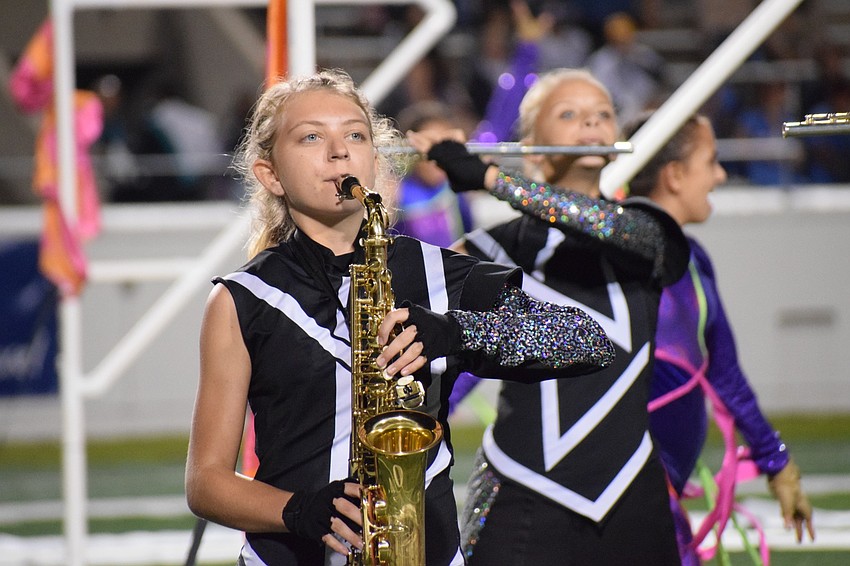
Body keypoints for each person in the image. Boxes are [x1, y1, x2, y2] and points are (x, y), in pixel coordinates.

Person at [184, 68, 616, 566]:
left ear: (374, 159)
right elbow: (205, 482)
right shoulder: (243, 298)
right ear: (271, 174)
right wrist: (299, 511)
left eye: (355, 134)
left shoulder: (437, 271)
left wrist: (454, 332)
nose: (339, 151)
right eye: (310, 137)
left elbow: (586, 340)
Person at [408, 68, 690, 565]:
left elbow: (606, 227)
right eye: (570, 114)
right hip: (521, 482)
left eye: (604, 115)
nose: (591, 125)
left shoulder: (646, 232)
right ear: (533, 147)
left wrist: (494, 179)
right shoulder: (488, 250)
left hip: (631, 486)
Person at [623, 112, 815, 563]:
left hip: (661, 489)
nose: (721, 175)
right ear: (673, 175)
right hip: (630, 490)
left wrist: (778, 463)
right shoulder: (618, 261)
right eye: (710, 162)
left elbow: (724, 373)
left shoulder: (694, 259)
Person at [392, 101, 474, 247]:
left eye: (445, 147)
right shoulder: (396, 196)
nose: (438, 159)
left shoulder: (455, 191)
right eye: (429, 150)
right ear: (411, 152)